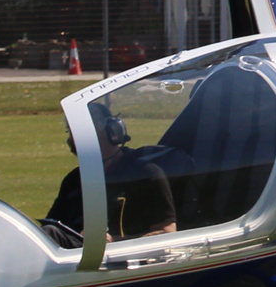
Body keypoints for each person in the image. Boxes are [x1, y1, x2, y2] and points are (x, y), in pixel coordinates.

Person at [42, 103, 177, 248]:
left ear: (113, 131)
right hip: (75, 258)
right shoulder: (74, 180)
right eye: (72, 131)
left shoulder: (145, 174)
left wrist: (113, 242)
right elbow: (50, 227)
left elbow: (167, 232)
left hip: (122, 259)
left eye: (87, 130)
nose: (77, 138)